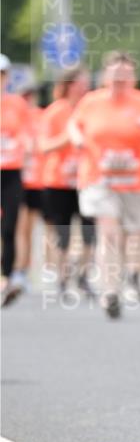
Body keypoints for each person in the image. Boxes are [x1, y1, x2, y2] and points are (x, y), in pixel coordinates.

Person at [69, 52, 140, 318]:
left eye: (125, 74)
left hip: (135, 180)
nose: (120, 79)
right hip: (99, 178)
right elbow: (74, 126)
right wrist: (78, 139)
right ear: (105, 76)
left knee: (131, 235)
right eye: (115, 74)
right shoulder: (91, 102)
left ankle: (127, 276)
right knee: (108, 232)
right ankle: (109, 291)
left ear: (133, 78)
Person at [39, 66, 96, 298]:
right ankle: (62, 278)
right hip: (59, 180)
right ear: (69, 84)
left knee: (88, 230)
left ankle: (83, 276)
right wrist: (70, 137)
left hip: (86, 179)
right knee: (61, 232)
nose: (86, 87)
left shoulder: (92, 108)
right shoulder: (55, 111)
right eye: (81, 83)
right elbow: (43, 146)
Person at [12, 80, 45, 299]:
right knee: (18, 228)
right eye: (25, 96)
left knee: (30, 230)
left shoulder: (41, 117)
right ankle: (17, 269)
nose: (28, 100)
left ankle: (25, 269)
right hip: (19, 179)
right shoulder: (14, 117)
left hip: (37, 179)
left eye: (31, 96)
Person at [0, 55, 30, 306]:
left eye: (2, 74)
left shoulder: (17, 104)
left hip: (10, 171)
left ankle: (6, 278)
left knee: (9, 227)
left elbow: (27, 133)